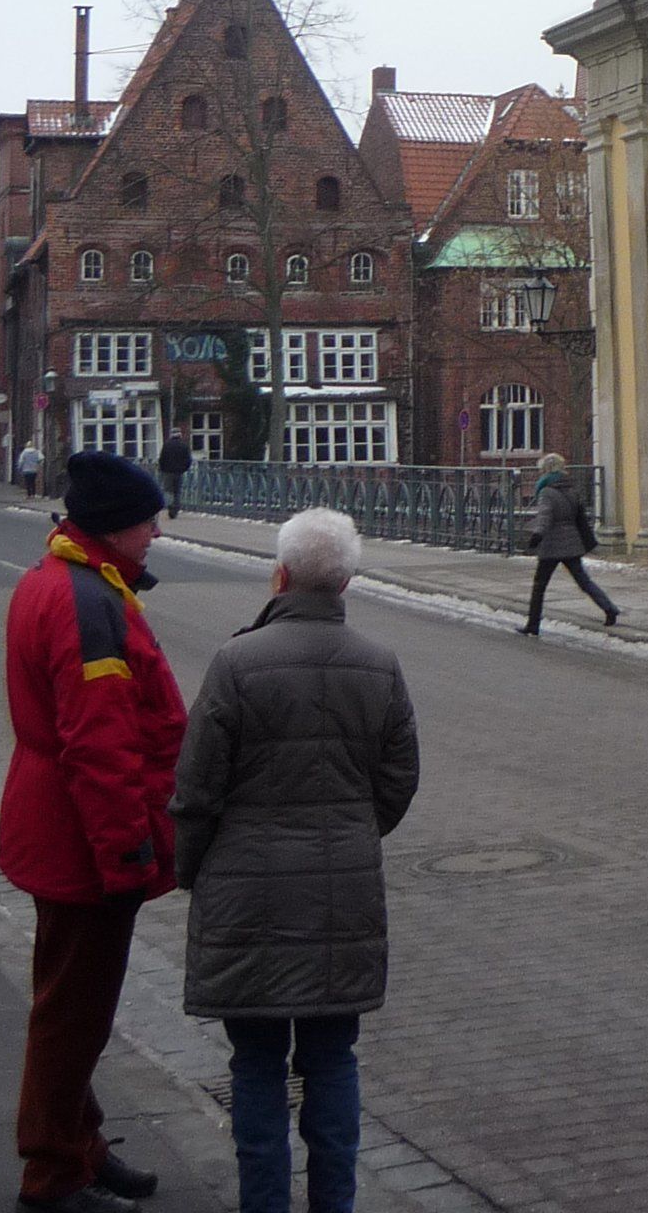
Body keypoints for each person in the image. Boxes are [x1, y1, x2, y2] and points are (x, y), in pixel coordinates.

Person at [171, 508, 419, 1213]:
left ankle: (264, 1203)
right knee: (333, 1060)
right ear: (346, 582)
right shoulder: (380, 664)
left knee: (255, 1065)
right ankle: (333, 1203)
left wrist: (193, 871)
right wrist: (353, 832)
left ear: (278, 575)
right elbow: (399, 776)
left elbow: (196, 789)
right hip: (341, 895)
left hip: (245, 897)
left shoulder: (236, 662)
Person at [0, 451, 186, 1212]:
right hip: (84, 842)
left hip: (55, 827)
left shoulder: (71, 581)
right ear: (115, 526)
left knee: (66, 1005)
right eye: (150, 520)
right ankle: (52, 1173)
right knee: (72, 1018)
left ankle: (80, 1143)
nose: (157, 535)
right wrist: (128, 854)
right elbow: (99, 745)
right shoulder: (88, 603)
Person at [520, 453, 619, 634]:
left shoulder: (546, 492)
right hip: (572, 542)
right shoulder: (571, 489)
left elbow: (545, 517)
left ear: (546, 470)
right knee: (583, 581)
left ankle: (533, 625)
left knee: (539, 585)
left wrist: (536, 537)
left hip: (552, 545)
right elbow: (578, 516)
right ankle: (609, 608)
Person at [154, 427, 192, 519]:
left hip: (168, 472)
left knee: (168, 491)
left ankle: (170, 507)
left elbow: (162, 459)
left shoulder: (167, 445)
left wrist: (162, 469)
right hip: (179, 472)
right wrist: (184, 468)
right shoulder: (184, 445)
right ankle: (176, 508)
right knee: (177, 491)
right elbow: (188, 460)